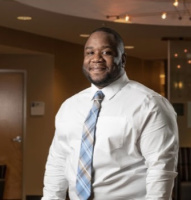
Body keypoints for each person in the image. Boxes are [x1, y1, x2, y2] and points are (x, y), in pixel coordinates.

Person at [42, 27, 179, 200]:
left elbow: (161, 168)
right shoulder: (69, 106)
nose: (96, 59)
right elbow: (58, 161)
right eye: (90, 52)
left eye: (106, 52)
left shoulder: (150, 104)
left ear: (122, 59)